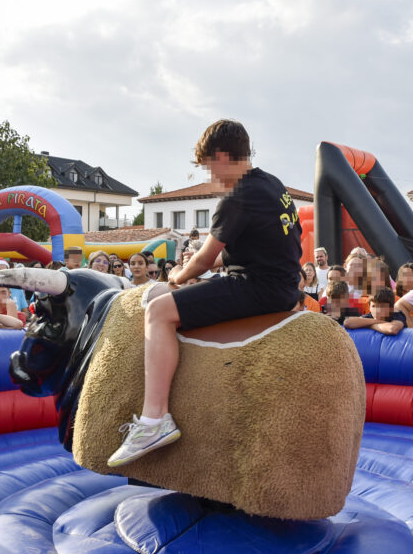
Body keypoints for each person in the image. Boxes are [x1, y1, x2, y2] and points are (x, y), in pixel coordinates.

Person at [107, 119, 302, 468]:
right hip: (281, 285)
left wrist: (177, 276)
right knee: (170, 297)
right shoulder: (273, 185)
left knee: (157, 310)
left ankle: (154, 420)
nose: (210, 177)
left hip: (257, 287)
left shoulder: (239, 196)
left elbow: (202, 260)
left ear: (223, 157)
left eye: (208, 167)